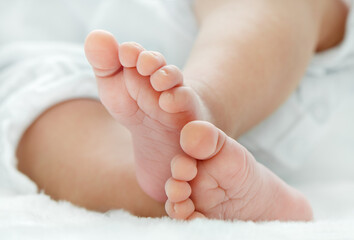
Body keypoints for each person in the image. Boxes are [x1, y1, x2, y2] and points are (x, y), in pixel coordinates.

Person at [15, 0, 351, 221]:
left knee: (36, 106)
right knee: (40, 115)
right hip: (43, 57)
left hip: (229, 41)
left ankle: (202, 105)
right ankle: (166, 182)